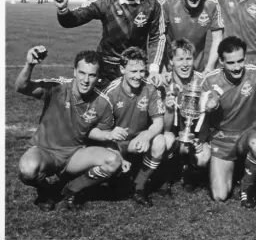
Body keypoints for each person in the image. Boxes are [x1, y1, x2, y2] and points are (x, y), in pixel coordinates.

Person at [15, 46, 122, 211]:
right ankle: (46, 190)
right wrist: (29, 65)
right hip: (45, 152)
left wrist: (118, 153)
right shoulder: (58, 88)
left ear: (99, 77)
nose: (86, 80)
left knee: (114, 161)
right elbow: (22, 87)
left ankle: (73, 188)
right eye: (82, 73)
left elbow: (103, 136)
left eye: (92, 75)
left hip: (74, 156)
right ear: (74, 72)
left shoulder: (103, 103)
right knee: (27, 170)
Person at [54, 0, 166, 87]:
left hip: (136, 67)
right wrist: (63, 9)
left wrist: (154, 69)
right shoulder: (105, 1)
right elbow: (71, 21)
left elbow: (157, 38)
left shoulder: (152, 4)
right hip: (106, 67)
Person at [201, 36, 256, 207]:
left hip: (247, 133)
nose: (237, 67)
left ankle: (247, 188)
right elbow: (201, 113)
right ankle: (236, 167)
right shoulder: (210, 80)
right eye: (231, 63)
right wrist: (208, 107)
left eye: (240, 61)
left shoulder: (255, 72)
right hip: (222, 138)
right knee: (219, 196)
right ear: (221, 62)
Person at [96, 47, 167, 208]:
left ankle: (139, 186)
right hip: (115, 143)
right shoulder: (111, 92)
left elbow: (158, 122)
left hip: (137, 141)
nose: (138, 76)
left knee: (160, 141)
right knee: (114, 183)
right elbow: (101, 129)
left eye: (142, 71)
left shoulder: (150, 87)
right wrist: (113, 147)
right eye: (133, 71)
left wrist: (146, 136)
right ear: (122, 69)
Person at [163, 39, 211, 192]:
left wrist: (200, 140)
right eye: (180, 59)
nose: (185, 64)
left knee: (202, 156)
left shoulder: (202, 81)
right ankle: (167, 172)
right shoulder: (164, 83)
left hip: (195, 134)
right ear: (171, 61)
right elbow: (161, 125)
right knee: (167, 140)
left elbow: (206, 117)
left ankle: (190, 172)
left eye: (189, 59)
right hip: (171, 132)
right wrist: (168, 108)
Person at [160, 0, 223, 74]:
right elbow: (159, 36)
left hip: (197, 68)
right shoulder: (168, 3)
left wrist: (209, 67)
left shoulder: (211, 4)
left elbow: (218, 38)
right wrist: (161, 66)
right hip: (171, 66)